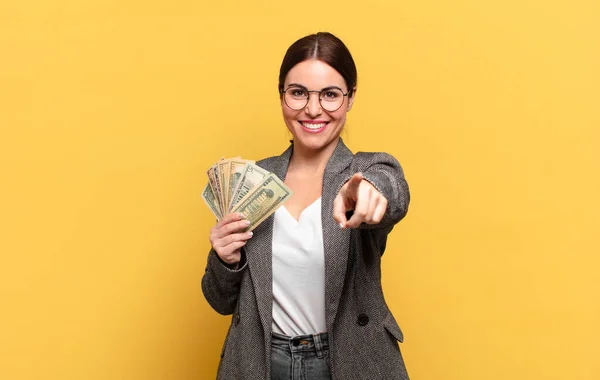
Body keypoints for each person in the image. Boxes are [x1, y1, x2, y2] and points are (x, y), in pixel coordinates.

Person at [202, 32, 410, 380]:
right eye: (298, 93)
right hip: (263, 362)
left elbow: (393, 189)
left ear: (350, 97)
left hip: (348, 359)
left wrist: (373, 193)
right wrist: (225, 260)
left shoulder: (366, 172)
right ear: (282, 94)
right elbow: (220, 301)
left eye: (329, 95)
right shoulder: (254, 179)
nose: (313, 110)